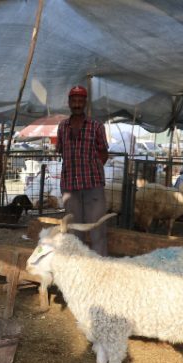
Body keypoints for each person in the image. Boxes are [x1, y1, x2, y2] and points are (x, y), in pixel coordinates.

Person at [57, 85, 109, 256]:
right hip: (69, 187)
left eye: (80, 101)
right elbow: (61, 151)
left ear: (85, 103)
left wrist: (92, 168)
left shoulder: (96, 126)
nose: (77, 104)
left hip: (92, 185)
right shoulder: (62, 127)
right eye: (74, 101)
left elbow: (103, 153)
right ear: (69, 103)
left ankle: (100, 268)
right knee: (73, 231)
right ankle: (77, 268)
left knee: (97, 229)